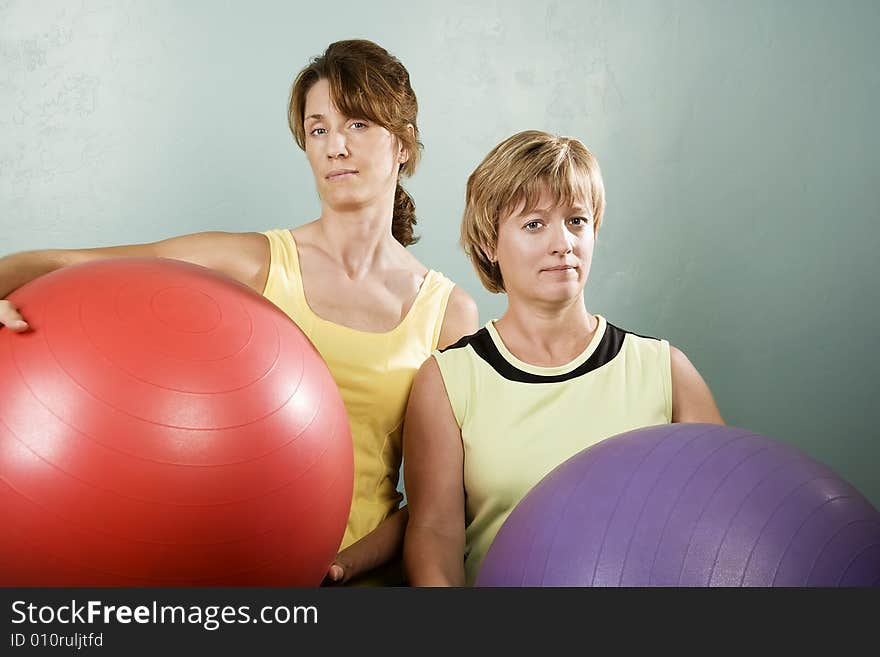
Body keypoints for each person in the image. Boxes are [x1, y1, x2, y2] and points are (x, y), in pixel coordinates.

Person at [0, 40, 478, 586]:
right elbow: (67, 264)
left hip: (360, 581)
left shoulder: (448, 313)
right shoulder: (255, 263)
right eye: (318, 129)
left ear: (404, 144)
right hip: (238, 574)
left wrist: (343, 566)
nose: (335, 147)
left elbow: (436, 508)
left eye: (358, 124)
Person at [402, 130, 723, 586]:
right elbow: (434, 534)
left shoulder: (665, 371)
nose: (563, 243)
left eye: (576, 220)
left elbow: (724, 521)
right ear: (490, 243)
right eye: (534, 224)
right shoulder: (448, 380)